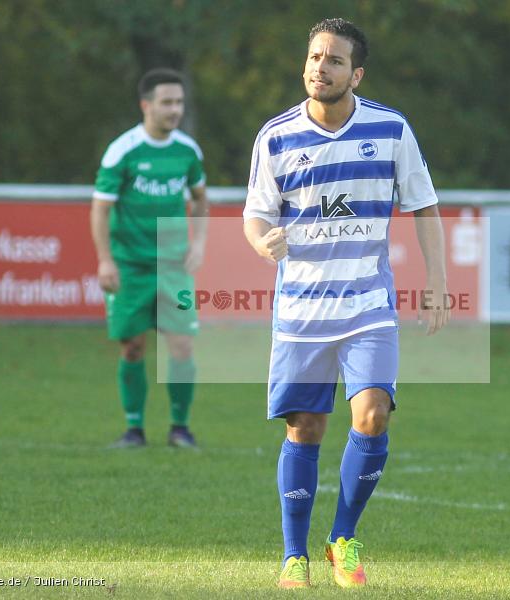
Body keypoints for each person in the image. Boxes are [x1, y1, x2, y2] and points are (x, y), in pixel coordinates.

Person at [243, 18, 449, 589]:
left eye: (333, 60)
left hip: (368, 304)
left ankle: (342, 540)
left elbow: (424, 206)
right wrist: (263, 240)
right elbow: (255, 213)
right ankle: (293, 554)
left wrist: (436, 278)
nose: (319, 68)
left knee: (373, 412)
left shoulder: (390, 129)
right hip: (302, 309)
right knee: (305, 427)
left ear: (355, 73)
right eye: (314, 57)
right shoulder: (276, 136)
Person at [90, 68, 208, 449]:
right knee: (132, 346)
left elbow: (201, 198)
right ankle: (134, 429)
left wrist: (200, 242)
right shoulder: (122, 151)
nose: (175, 110)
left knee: (182, 345)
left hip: (174, 265)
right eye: (167, 102)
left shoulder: (188, 151)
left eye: (179, 102)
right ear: (146, 105)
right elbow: (100, 210)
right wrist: (105, 260)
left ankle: (181, 427)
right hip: (131, 266)